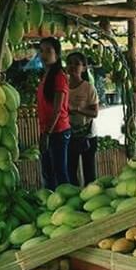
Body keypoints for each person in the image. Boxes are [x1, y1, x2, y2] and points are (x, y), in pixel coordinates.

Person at [37, 37, 70, 190]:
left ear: (56, 54)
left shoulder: (59, 77)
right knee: (48, 172)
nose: (44, 54)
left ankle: (67, 207)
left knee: (59, 173)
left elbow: (57, 109)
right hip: (48, 130)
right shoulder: (46, 76)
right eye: (41, 50)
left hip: (58, 131)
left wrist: (47, 134)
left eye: (48, 51)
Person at [66, 51, 99, 186]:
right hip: (69, 135)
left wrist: (78, 110)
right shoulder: (63, 87)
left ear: (84, 68)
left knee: (89, 172)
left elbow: (95, 113)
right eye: (69, 63)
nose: (72, 66)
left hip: (88, 135)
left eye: (77, 64)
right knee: (70, 171)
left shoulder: (88, 88)